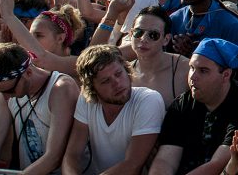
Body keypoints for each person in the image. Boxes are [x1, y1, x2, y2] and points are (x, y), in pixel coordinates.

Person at [150, 38, 238, 175]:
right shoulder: (182, 105)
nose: (193, 77)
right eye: (192, 68)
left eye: (203, 71)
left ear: (226, 75)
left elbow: (218, 164)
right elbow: (165, 160)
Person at [63, 45, 165, 175]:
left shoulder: (148, 100)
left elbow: (132, 165)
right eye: (106, 81)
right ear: (92, 88)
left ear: (126, 70)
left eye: (118, 74)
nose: (117, 83)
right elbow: (72, 155)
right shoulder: (86, 100)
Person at [0, 42, 80, 175]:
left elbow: (54, 158)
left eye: (10, 90)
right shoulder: (7, 90)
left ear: (28, 72)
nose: (6, 97)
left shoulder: (61, 88)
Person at [129, 5, 190, 108]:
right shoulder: (124, 73)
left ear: (166, 39)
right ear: (131, 34)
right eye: (138, 32)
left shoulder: (185, 69)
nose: (143, 39)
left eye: (153, 35)